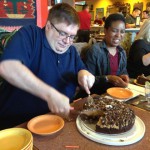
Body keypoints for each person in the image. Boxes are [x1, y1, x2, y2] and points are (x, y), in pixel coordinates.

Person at [0, 3, 95, 129]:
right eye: (62, 33)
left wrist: (84, 74)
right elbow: (7, 67)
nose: (67, 41)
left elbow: (81, 69)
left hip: (55, 124)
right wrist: (50, 95)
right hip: (16, 125)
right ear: (49, 26)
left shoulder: (71, 51)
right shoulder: (31, 35)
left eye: (72, 36)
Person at [75, 13, 129, 98]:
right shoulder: (94, 51)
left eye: (122, 31)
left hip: (116, 96)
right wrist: (108, 78)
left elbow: (123, 71)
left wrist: (125, 78)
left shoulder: (122, 52)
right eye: (114, 30)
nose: (118, 35)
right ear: (105, 31)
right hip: (95, 97)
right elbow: (86, 80)